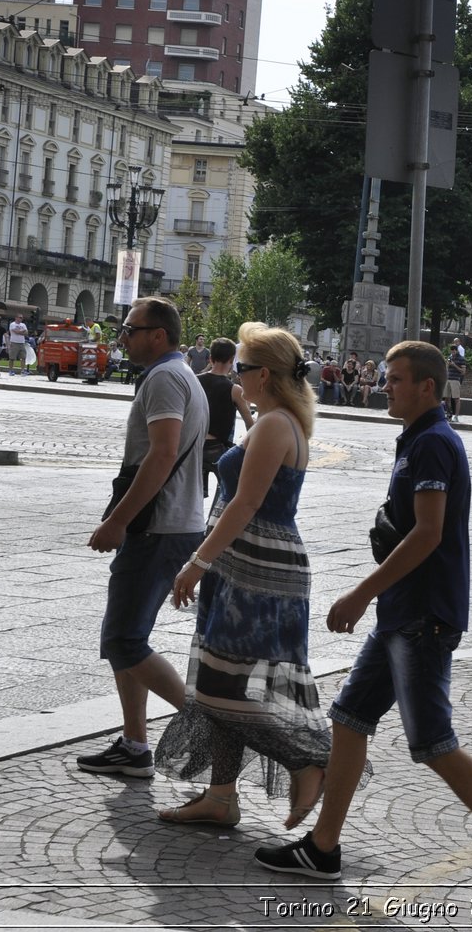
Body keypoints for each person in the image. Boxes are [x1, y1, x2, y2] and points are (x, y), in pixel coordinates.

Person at [255, 341, 472, 904]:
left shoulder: (434, 444)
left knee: (432, 743)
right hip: (403, 615)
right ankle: (323, 848)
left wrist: (361, 593)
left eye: (395, 380)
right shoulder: (419, 438)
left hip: (422, 617)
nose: (385, 387)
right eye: (386, 378)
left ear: (427, 387)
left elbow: (429, 533)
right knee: (349, 718)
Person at [155, 323, 330, 830]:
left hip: (258, 570)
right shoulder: (274, 418)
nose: (237, 372)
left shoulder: (276, 425)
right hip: (247, 565)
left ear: (267, 375)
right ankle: (222, 795)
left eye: (245, 367)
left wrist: (198, 561)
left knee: (216, 688)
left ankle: (305, 758)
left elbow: (247, 502)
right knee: (222, 681)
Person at [76, 296, 208, 778]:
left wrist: (118, 520)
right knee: (125, 636)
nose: (123, 337)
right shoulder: (180, 374)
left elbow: (162, 454)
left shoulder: (166, 378)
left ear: (158, 334)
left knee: (124, 639)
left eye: (130, 329)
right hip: (170, 522)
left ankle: (206, 724)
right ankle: (134, 745)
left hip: (159, 524)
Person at [197, 338, 255, 498]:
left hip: (195, 446)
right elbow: (250, 424)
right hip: (218, 447)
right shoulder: (234, 390)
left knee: (195, 497)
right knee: (226, 491)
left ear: (210, 358)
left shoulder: (195, 381)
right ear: (232, 360)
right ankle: (214, 521)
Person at [445, 340, 467, 420]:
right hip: (448, 379)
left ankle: (456, 416)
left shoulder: (461, 359)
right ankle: (449, 413)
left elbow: (463, 372)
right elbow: (447, 369)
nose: (453, 352)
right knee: (447, 398)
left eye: (454, 351)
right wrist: (447, 365)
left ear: (456, 350)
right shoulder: (450, 357)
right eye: (451, 351)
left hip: (455, 380)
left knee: (456, 398)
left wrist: (454, 365)